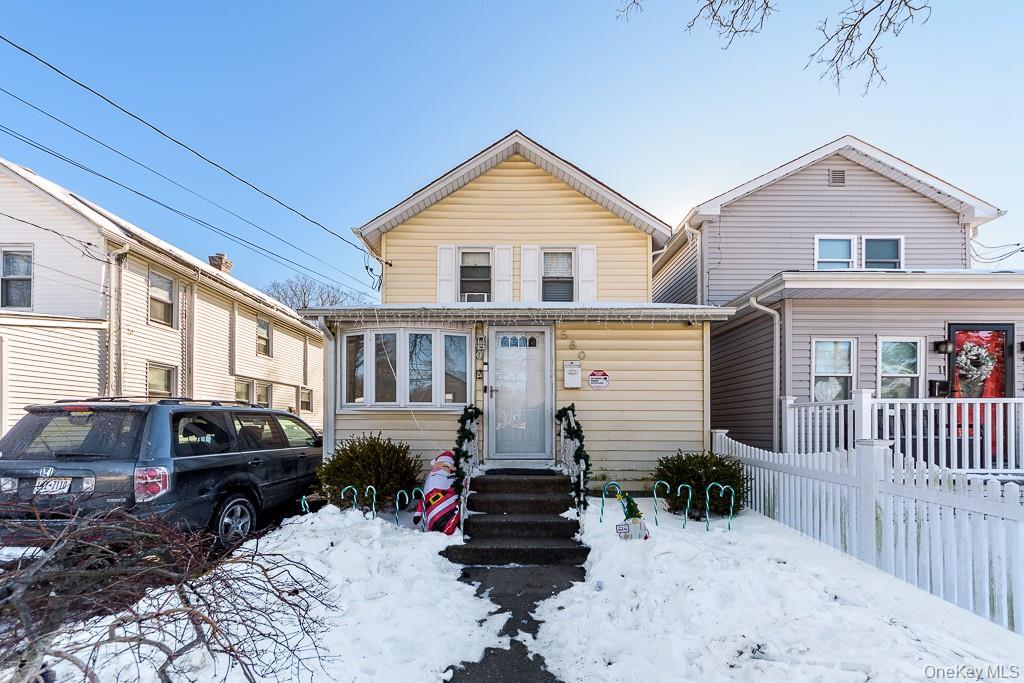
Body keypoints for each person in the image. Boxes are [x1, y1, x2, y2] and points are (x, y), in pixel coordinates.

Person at [413, 451, 460, 535]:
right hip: (432, 514)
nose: (439, 470)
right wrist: (418, 513)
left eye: (445, 466)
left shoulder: (449, 480)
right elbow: (423, 499)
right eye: (437, 467)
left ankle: (448, 527)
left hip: (445, 509)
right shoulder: (434, 481)